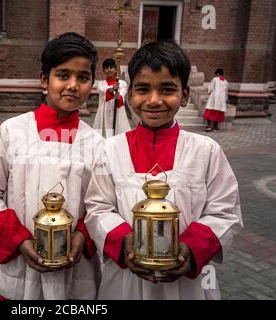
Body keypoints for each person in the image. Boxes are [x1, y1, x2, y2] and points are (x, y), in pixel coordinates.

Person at [84, 41, 243, 300]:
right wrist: (125, 244)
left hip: (188, 286)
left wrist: (191, 250)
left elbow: (224, 211)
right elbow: (98, 207)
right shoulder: (110, 150)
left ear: (185, 95)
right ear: (130, 93)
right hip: (124, 282)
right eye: (143, 89)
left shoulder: (205, 150)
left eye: (167, 89)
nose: (154, 100)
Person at [0, 32, 104, 300]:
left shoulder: (97, 143)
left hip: (74, 267)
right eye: (63, 75)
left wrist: (84, 237)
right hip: (19, 266)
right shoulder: (12, 131)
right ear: (45, 80)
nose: (73, 85)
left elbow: (102, 203)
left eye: (83, 77)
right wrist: (18, 239)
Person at [93, 58, 131, 138]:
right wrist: (111, 89)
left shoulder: (122, 84)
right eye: (106, 68)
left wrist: (117, 94)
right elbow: (104, 93)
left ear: (115, 70)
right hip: (104, 114)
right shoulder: (101, 84)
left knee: (119, 136)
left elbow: (121, 98)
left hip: (118, 112)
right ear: (103, 70)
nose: (109, 70)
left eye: (111, 67)